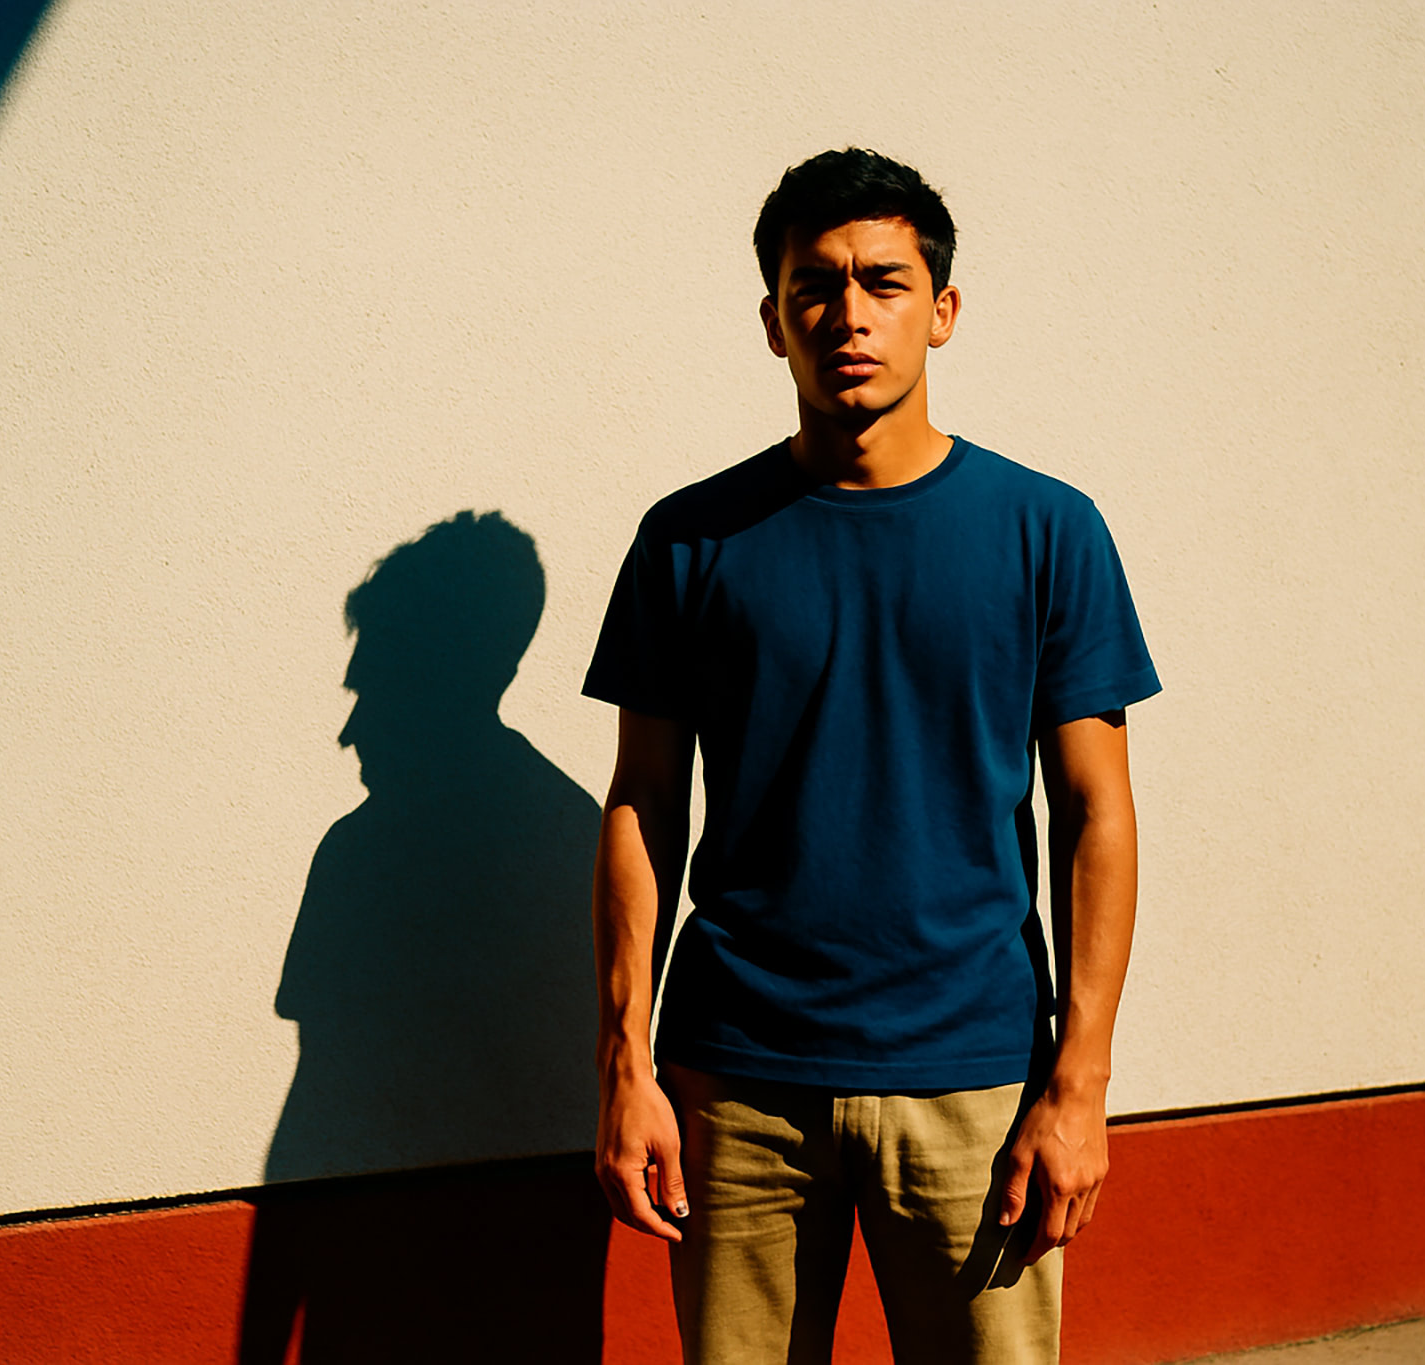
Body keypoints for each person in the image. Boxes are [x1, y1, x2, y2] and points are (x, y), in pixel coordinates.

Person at [583, 147, 1159, 1364]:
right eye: (815, 286)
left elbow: (1095, 815)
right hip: (738, 1080)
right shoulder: (688, 541)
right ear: (772, 320)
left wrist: (1079, 1085)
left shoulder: (1046, 531)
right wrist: (625, 1065)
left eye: (883, 283)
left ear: (940, 311)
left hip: (974, 1076)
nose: (848, 315)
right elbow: (641, 804)